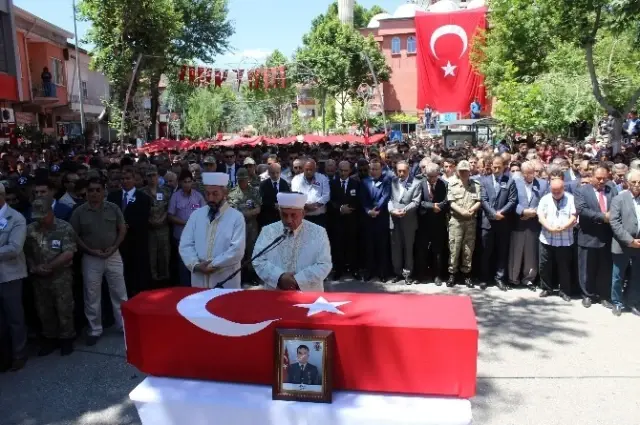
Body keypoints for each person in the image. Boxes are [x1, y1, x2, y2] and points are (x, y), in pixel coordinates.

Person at [69, 177, 128, 346]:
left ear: (104, 191)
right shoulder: (79, 212)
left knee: (119, 292)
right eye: (90, 190)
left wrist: (114, 246)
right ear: (86, 193)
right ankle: (95, 329)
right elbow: (74, 235)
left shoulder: (113, 208)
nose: (94, 193)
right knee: (92, 294)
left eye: (97, 190)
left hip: (113, 255)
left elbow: (122, 228)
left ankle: (123, 325)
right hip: (91, 258)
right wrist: (89, 250)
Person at [24, 198, 77, 356]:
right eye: (37, 216)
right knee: (44, 310)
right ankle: (50, 339)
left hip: (60, 276)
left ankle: (67, 339)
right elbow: (26, 252)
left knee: (64, 309)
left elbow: (68, 253)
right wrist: (34, 267)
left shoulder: (64, 227)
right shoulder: (30, 229)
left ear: (51, 212)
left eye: (43, 215)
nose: (40, 219)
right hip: (39, 279)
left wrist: (50, 266)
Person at [253, 192, 332, 292]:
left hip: (308, 296)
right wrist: (279, 277)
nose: (288, 220)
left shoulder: (318, 232)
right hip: (275, 294)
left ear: (303, 213)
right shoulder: (268, 231)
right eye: (284, 215)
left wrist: (298, 280)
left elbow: (324, 264)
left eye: (293, 215)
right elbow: (258, 260)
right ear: (279, 212)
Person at [179, 172, 246, 289]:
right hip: (199, 278)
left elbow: (237, 251)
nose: (210, 198)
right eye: (207, 194)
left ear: (225, 193)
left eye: (215, 194)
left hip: (226, 279)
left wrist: (213, 265)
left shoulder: (236, 217)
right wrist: (196, 265)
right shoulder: (196, 215)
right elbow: (185, 244)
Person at [574, 165, 617, 308]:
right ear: (591, 177)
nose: (601, 181)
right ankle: (587, 295)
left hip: (607, 237)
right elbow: (582, 210)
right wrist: (602, 217)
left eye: (604, 179)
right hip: (588, 235)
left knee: (605, 268)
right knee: (586, 268)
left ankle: (604, 296)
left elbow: (617, 207)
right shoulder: (581, 191)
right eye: (598, 178)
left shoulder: (612, 189)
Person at [107, 168, 152, 296]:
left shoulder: (143, 198)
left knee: (137, 272)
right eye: (122, 179)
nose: (125, 181)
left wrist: (127, 226)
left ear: (134, 180)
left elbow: (144, 218)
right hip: (118, 242)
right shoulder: (112, 196)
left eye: (128, 178)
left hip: (137, 241)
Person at [0, 182, 28, 371]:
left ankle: (19, 353)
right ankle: (3, 355)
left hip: (9, 275)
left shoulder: (16, 218)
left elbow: (15, 248)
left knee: (14, 317)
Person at [479, 156, 518, 291]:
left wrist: (501, 212)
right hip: (488, 222)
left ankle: (499, 278)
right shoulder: (484, 181)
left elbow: (512, 200)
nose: (496, 169)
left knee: (502, 252)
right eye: (494, 167)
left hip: (503, 221)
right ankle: (484, 278)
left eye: (498, 167)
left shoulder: (510, 181)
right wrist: (492, 213)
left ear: (504, 167)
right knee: (486, 252)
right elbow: (483, 200)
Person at [508, 161, 547, 290]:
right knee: (516, 251)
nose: (530, 175)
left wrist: (534, 212)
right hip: (518, 223)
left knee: (531, 252)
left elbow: (544, 201)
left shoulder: (542, 184)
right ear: (522, 173)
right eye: (527, 173)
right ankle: (513, 278)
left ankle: (528, 278)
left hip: (533, 223)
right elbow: (512, 200)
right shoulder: (515, 181)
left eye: (532, 172)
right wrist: (523, 212)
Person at [537, 177, 577, 301]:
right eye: (553, 191)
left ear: (563, 188)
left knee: (564, 266)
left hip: (565, 239)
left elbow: (574, 217)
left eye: (558, 191)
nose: (556, 194)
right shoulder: (545, 199)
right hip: (547, 238)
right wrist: (549, 227)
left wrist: (564, 227)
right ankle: (546, 288)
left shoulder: (571, 199)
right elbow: (540, 216)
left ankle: (564, 291)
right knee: (544, 265)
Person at [608, 169, 640, 317]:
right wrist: (630, 241)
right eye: (634, 182)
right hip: (622, 245)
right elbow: (614, 223)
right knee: (618, 276)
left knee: (636, 276)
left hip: (639, 246)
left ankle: (632, 302)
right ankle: (617, 303)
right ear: (627, 183)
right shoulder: (619, 199)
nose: (637, 185)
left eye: (639, 182)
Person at [447, 160, 482, 288]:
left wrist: (471, 210)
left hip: (470, 221)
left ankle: (467, 274)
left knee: (468, 248)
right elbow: (451, 202)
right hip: (456, 220)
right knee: (454, 248)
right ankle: (452, 274)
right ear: (457, 171)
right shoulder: (452, 183)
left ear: (469, 171)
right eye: (461, 171)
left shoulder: (476, 184)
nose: (463, 173)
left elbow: (479, 200)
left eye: (466, 171)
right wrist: (462, 212)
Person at [168, 170, 206, 286]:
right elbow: (170, 216)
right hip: (181, 236)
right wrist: (185, 223)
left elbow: (206, 213)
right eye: (185, 182)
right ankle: (185, 289)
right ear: (180, 183)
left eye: (189, 182)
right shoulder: (175, 197)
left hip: (196, 237)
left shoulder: (198, 196)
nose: (187, 184)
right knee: (183, 264)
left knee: (196, 263)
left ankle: (196, 287)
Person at [388, 160, 422, 284]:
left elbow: (416, 202)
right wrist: (392, 210)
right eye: (399, 171)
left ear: (409, 170)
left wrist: (403, 210)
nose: (401, 173)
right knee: (396, 247)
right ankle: (397, 273)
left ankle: (408, 273)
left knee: (408, 248)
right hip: (394, 219)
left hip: (408, 220)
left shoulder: (417, 183)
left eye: (404, 171)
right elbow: (390, 199)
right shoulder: (393, 182)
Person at [227, 168, 262, 285]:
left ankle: (252, 275)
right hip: (238, 228)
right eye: (240, 180)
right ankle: (239, 276)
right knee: (239, 251)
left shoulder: (254, 192)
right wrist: (245, 214)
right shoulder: (232, 193)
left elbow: (258, 208)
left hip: (252, 227)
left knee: (252, 251)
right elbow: (231, 210)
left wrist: (246, 213)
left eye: (244, 179)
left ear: (248, 179)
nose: (242, 182)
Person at [141, 165, 172, 287]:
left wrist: (163, 219)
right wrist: (149, 221)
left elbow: (169, 208)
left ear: (158, 176)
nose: (152, 178)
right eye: (149, 176)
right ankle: (153, 282)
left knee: (165, 256)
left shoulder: (165, 191)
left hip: (163, 228)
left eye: (154, 175)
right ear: (146, 177)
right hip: (150, 230)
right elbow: (140, 211)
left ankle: (166, 282)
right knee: (151, 257)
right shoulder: (141, 193)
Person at [291, 159, 330, 228]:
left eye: (311, 170)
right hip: (302, 217)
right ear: (303, 169)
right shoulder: (296, 179)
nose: (309, 172)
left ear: (315, 169)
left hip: (319, 217)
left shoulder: (323, 178)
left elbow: (326, 195)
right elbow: (295, 195)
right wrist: (306, 206)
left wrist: (316, 204)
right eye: (307, 169)